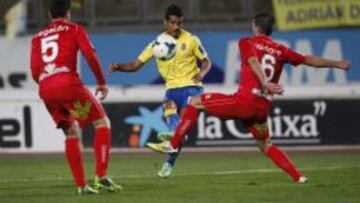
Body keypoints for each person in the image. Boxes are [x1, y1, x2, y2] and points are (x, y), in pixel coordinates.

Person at [147, 12, 351, 183]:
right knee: (266, 145)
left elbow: (253, 61)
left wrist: (263, 81)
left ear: (256, 27)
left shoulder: (247, 42)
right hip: (261, 108)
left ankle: (173, 143)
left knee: (194, 102)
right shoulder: (281, 50)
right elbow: (308, 59)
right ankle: (299, 177)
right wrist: (336, 64)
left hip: (244, 102)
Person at [30, 0, 122, 194]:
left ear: (49, 15)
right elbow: (89, 54)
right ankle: (101, 176)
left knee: (71, 131)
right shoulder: (74, 29)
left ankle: (82, 186)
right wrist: (101, 82)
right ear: (68, 13)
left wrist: (50, 87)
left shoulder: (37, 37)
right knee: (101, 123)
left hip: (47, 90)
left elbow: (34, 71)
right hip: (68, 87)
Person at [108, 4, 211, 178]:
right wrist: (118, 66)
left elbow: (206, 62)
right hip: (171, 89)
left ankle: (170, 158)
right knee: (170, 109)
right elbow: (135, 65)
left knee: (181, 125)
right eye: (172, 23)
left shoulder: (192, 40)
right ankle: (175, 136)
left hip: (191, 88)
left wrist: (201, 73)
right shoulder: (157, 44)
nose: (176, 27)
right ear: (165, 22)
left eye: (179, 23)